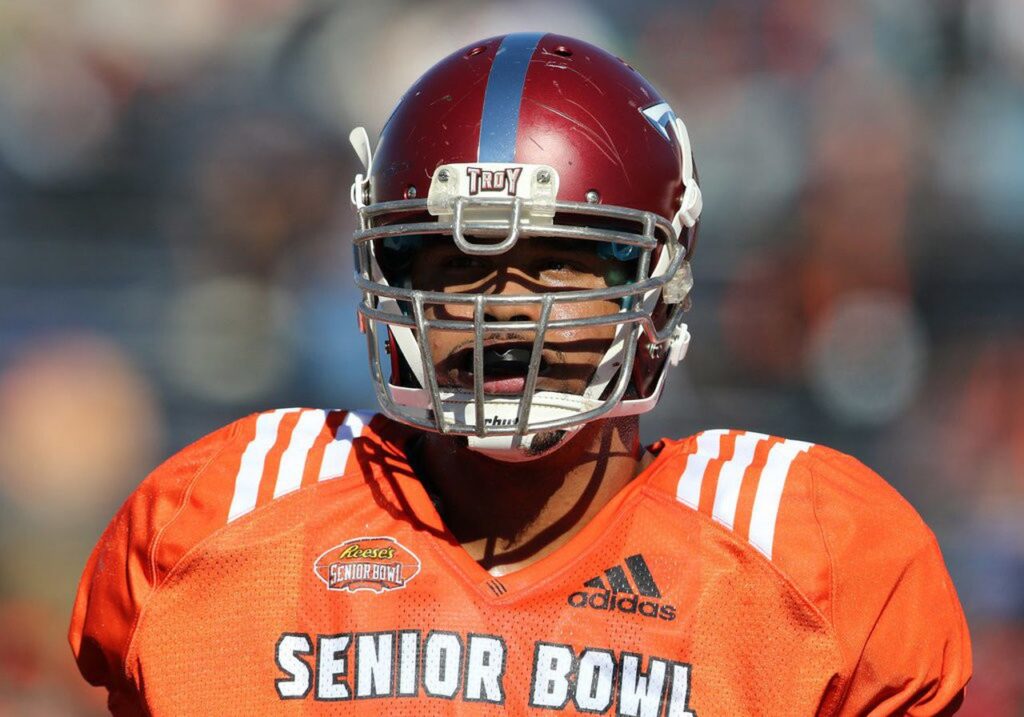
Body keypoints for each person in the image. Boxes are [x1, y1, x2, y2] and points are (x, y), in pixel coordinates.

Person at [69, 33, 971, 715]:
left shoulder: (805, 553)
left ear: (659, 280)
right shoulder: (222, 524)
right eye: (454, 263)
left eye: (561, 263)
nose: (504, 310)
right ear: (389, 277)